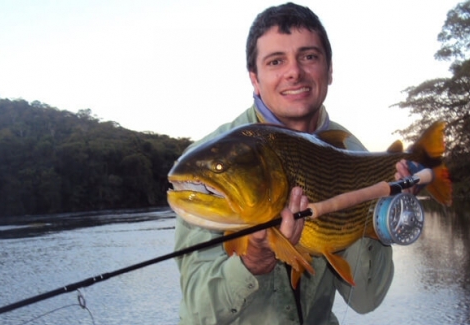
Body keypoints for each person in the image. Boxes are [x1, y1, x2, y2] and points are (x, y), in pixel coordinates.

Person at [174, 3, 414, 324]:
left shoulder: (352, 154)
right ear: (255, 79)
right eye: (276, 61)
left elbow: (366, 299)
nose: (294, 71)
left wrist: (383, 221)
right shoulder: (214, 168)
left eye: (309, 56)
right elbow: (198, 313)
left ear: (329, 70)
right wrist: (255, 259)